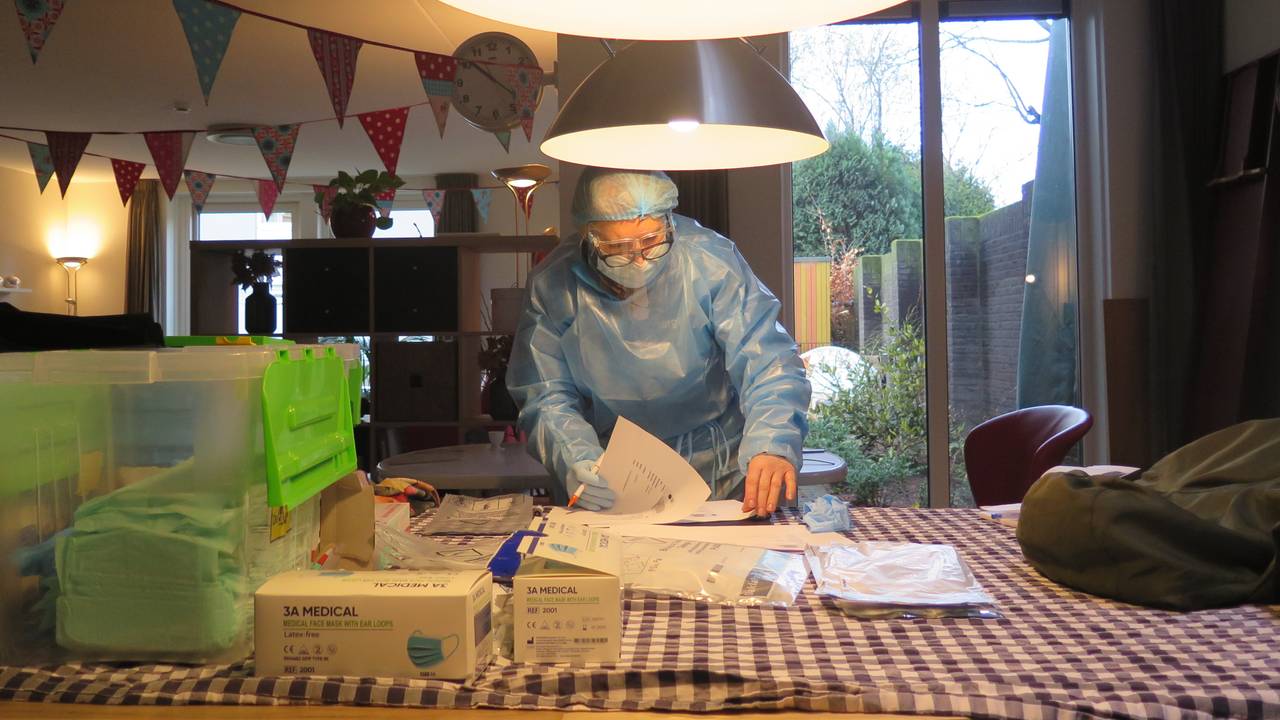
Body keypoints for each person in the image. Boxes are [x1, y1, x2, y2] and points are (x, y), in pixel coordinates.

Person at [506, 168, 811, 517]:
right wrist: (573, 455)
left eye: (652, 241)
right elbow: (544, 393)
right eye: (617, 248)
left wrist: (772, 441)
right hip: (611, 474)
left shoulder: (709, 263)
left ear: (669, 222)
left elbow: (768, 362)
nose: (639, 260)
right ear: (587, 236)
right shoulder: (554, 285)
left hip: (718, 468)